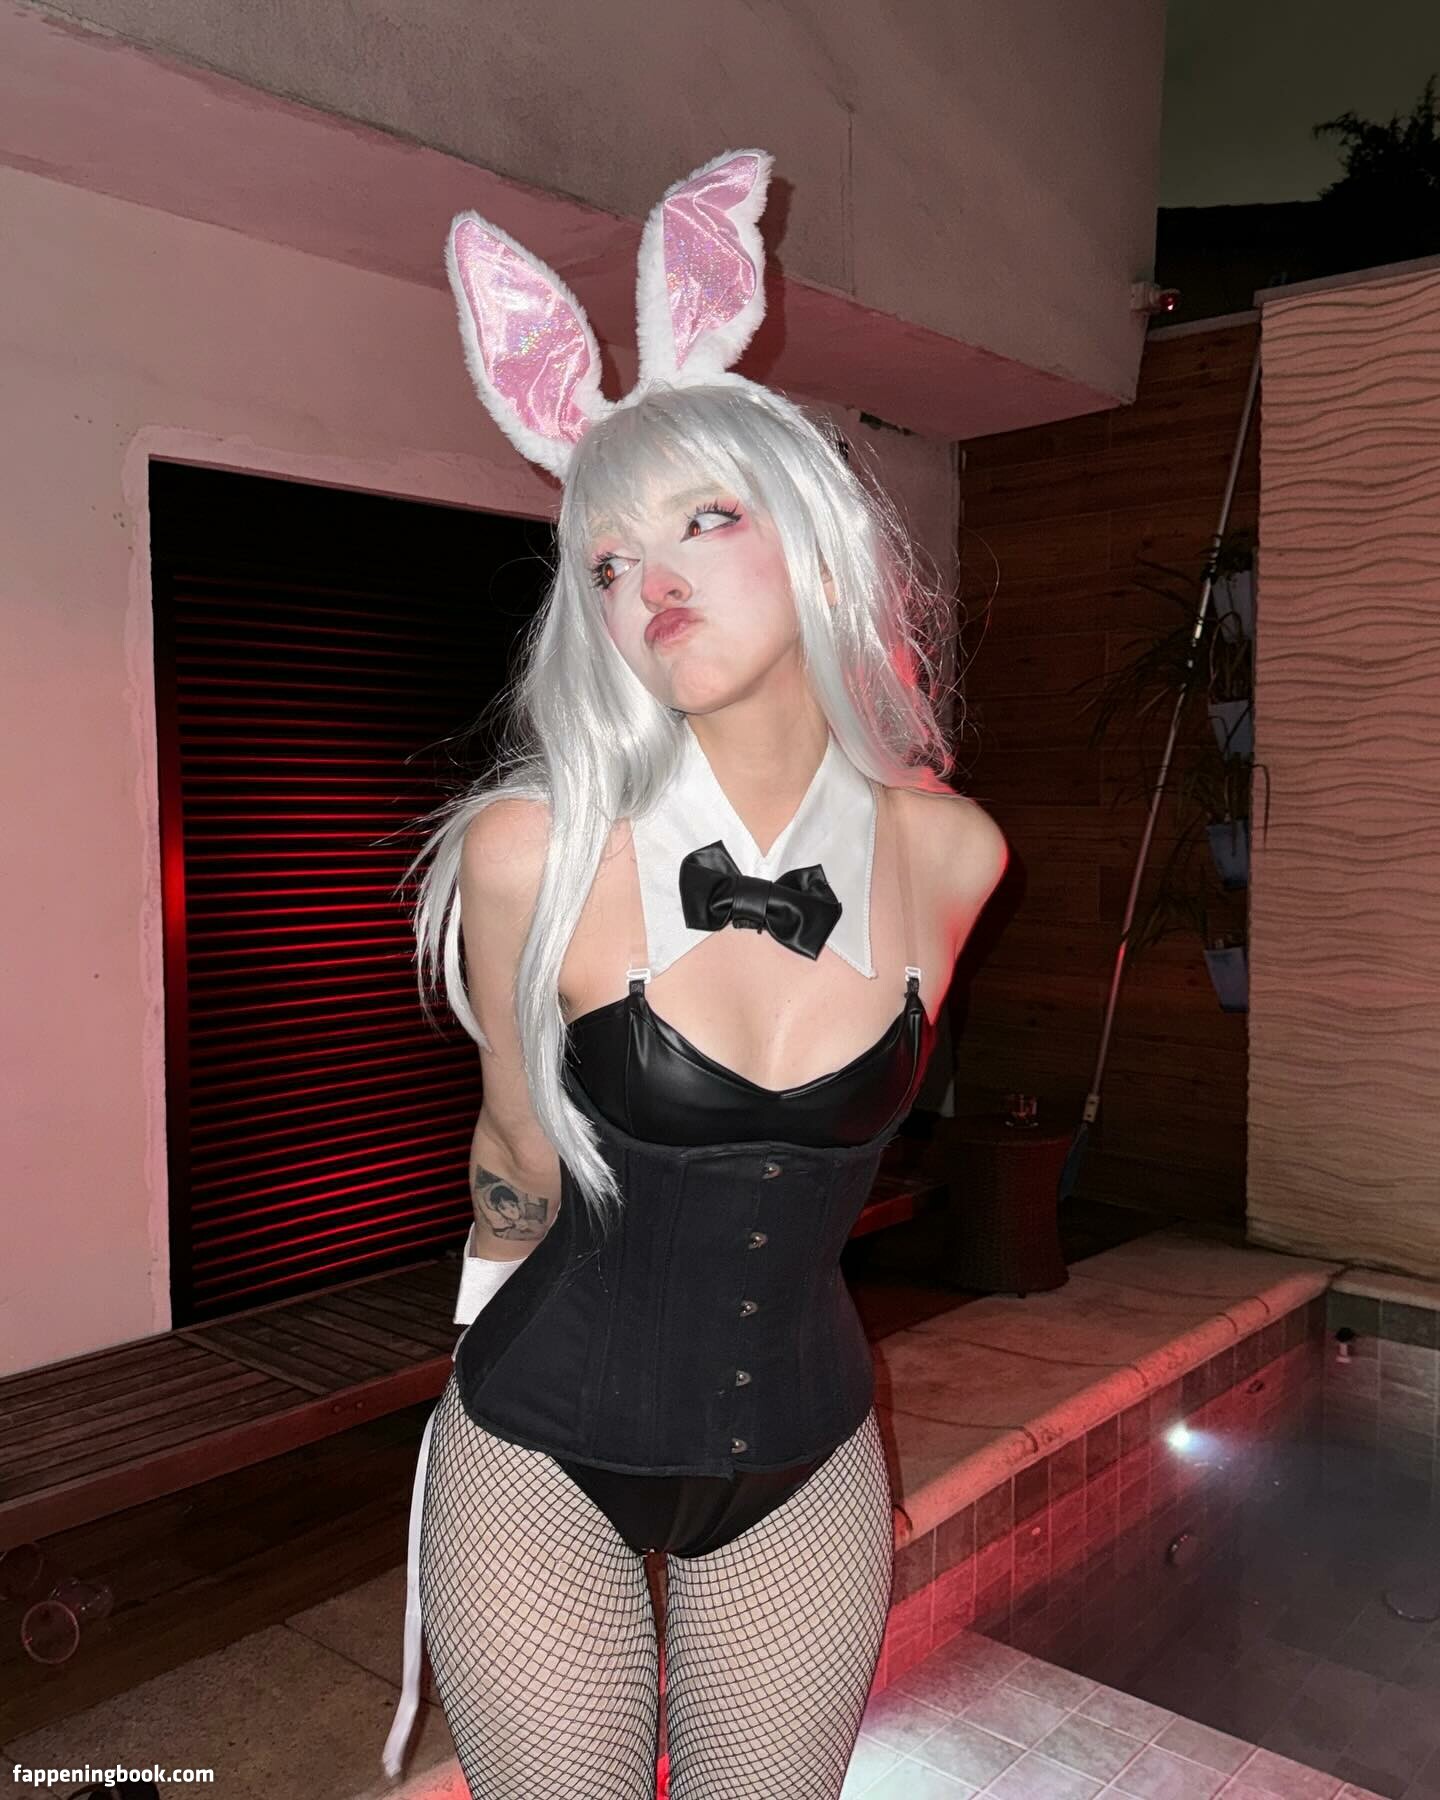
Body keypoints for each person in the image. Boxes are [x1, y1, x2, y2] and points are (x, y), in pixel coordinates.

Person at [381, 148, 1007, 1798]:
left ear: (810, 534)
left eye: (701, 521)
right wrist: (463, 1361)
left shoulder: (954, 854)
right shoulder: (533, 851)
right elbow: (515, 1160)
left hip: (806, 1454)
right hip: (538, 1449)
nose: (644, 583)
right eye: (603, 561)